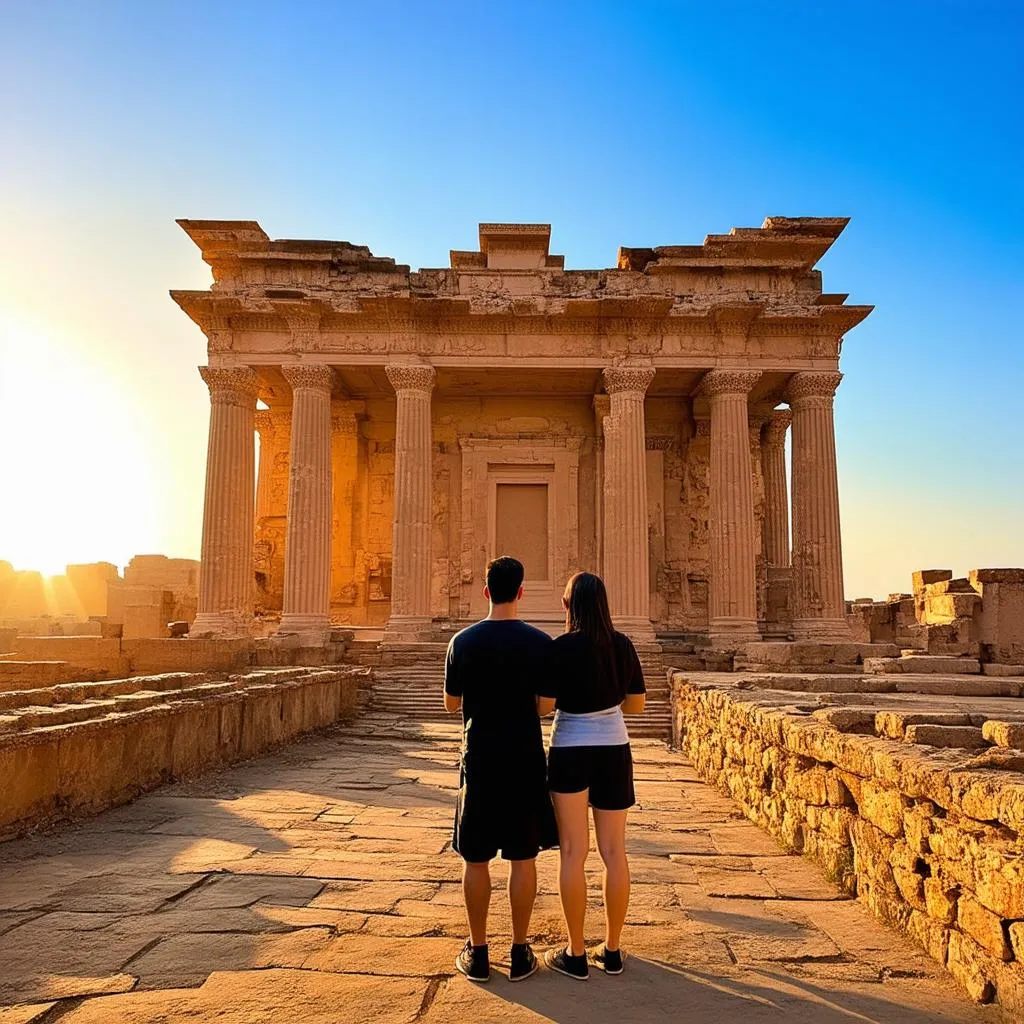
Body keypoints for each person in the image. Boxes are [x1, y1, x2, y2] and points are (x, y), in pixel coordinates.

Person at [443, 555, 558, 984]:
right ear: (522, 591)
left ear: (486, 591)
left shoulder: (463, 642)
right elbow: (547, 707)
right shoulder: (540, 643)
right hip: (525, 758)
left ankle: (477, 951)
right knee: (523, 857)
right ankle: (520, 949)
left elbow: (451, 703)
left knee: (475, 859)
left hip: (480, 759)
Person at [538, 571, 646, 980]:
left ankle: (576, 952)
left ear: (570, 606)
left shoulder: (560, 648)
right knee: (614, 852)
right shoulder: (622, 645)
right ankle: (613, 949)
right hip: (614, 748)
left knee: (573, 852)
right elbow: (635, 705)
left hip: (569, 748)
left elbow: (545, 706)